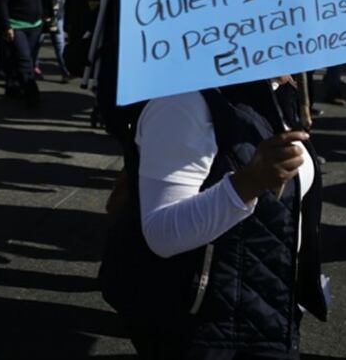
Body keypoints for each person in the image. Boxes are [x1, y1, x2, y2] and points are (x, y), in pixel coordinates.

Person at [100, 77, 326, 358]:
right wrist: (250, 181)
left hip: (264, 312)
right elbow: (162, 232)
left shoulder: (278, 93)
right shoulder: (182, 103)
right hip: (201, 327)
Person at [0, 0, 48, 106]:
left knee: (22, 58)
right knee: (25, 60)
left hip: (34, 26)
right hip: (16, 26)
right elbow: (2, 2)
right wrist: (6, 26)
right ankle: (32, 93)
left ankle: (12, 85)